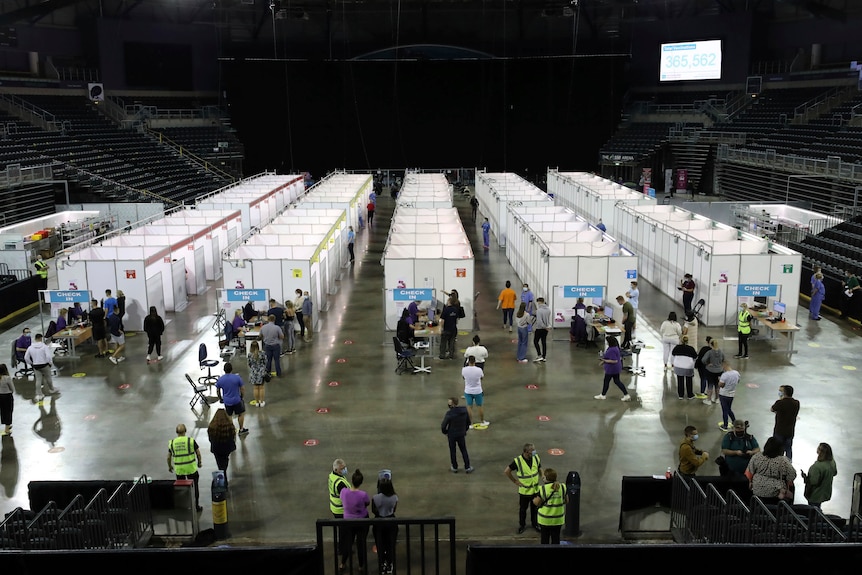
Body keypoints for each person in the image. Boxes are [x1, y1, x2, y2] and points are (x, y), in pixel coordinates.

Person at [746, 436, 797, 505]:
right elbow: (792, 475)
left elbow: (749, 472)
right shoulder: (783, 461)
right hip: (775, 493)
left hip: (757, 490)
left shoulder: (757, 456)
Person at [504, 443, 542, 534]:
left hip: (535, 490)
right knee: (523, 510)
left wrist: (543, 475)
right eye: (532, 450)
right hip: (525, 491)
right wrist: (515, 481)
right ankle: (522, 525)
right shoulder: (518, 461)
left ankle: (535, 524)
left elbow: (539, 468)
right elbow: (507, 471)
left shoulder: (536, 457)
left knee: (535, 509)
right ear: (526, 452)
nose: (534, 452)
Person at [339, 469, 370, 573]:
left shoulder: (344, 491)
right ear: (361, 482)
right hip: (361, 521)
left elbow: (342, 499)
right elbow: (367, 503)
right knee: (361, 544)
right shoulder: (363, 494)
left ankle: (342, 563)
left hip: (348, 521)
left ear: (352, 481)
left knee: (348, 543)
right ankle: (361, 566)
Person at [167, 423, 204, 512]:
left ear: (176, 432)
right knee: (195, 488)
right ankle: (196, 506)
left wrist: (170, 466)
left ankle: (184, 507)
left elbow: (168, 457)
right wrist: (199, 463)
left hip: (180, 470)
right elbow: (198, 453)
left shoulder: (172, 443)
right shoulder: (190, 441)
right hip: (191, 468)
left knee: (182, 489)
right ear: (185, 431)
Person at [372, 474, 398, 575]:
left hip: (379, 523)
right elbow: (394, 509)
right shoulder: (394, 497)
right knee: (390, 545)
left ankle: (382, 564)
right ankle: (390, 564)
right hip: (391, 522)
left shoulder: (375, 498)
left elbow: (374, 511)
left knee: (380, 544)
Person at [533, 468, 568, 545]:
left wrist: (534, 500)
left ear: (546, 478)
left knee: (545, 540)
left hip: (545, 520)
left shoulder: (542, 489)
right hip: (558, 520)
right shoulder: (562, 487)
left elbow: (537, 503)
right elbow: (566, 500)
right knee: (556, 540)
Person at [594, 336, 631, 401]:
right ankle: (626, 395)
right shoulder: (615, 348)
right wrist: (603, 361)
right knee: (617, 381)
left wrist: (604, 361)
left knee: (606, 381)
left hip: (611, 369)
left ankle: (603, 395)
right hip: (616, 368)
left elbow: (614, 360)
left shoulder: (612, 350)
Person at [216, 362, 248, 435]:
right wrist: (242, 396)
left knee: (229, 416)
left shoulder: (220, 379)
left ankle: (231, 431)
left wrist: (220, 398)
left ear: (224, 370)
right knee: (240, 414)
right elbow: (242, 388)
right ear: (231, 369)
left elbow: (217, 390)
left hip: (227, 401)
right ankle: (241, 429)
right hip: (237, 400)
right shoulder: (237, 378)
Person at [442, 396, 473, 473]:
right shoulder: (464, 411)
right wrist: (464, 430)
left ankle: (455, 467)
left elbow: (443, 425)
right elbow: (468, 422)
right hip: (461, 434)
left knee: (453, 451)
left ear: (452, 404)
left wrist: (445, 432)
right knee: (463, 449)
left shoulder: (449, 414)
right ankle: (467, 467)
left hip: (452, 435)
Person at [207, 408, 236, 485]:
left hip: (216, 448)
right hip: (227, 447)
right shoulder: (229, 425)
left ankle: (221, 482)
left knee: (220, 463)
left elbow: (210, 438)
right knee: (225, 461)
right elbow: (233, 435)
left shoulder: (212, 426)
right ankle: (223, 473)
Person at [802, 443, 837, 509]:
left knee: (813, 510)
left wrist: (806, 478)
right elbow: (834, 473)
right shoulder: (832, 462)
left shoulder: (817, 467)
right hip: (826, 491)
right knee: (818, 507)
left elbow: (813, 482)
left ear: (820, 451)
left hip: (815, 494)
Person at [24, 333, 57, 402]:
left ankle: (39, 394)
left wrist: (31, 363)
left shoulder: (30, 347)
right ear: (40, 338)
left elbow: (26, 357)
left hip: (36, 365)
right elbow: (48, 356)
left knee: (38, 380)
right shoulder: (44, 346)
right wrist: (50, 363)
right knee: (48, 377)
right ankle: (51, 389)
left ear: (35, 339)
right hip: (44, 364)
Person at [771, 384, 800, 460]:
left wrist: (781, 399)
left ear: (784, 393)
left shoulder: (780, 403)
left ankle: (777, 464)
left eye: (781, 391)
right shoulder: (796, 403)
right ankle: (788, 465)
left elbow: (772, 409)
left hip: (779, 431)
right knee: (788, 449)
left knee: (778, 449)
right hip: (790, 431)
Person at [462, 356, 488, 427]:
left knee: (469, 407)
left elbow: (463, 377)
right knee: (480, 406)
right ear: (475, 361)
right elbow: (482, 377)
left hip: (468, 391)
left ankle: (470, 423)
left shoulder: (464, 369)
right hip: (477, 391)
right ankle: (482, 421)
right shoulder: (479, 370)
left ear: (468, 361)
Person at [671, 335, 698, 400]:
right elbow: (695, 357)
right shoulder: (691, 348)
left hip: (678, 366)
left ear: (681, 340)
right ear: (687, 341)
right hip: (688, 367)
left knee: (680, 380)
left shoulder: (677, 347)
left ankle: (681, 395)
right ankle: (690, 395)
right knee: (689, 380)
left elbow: (673, 354)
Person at [718, 361, 739, 432]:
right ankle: (734, 422)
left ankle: (725, 426)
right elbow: (738, 381)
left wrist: (719, 381)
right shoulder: (736, 373)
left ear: (724, 366)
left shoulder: (725, 375)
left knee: (725, 410)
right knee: (729, 409)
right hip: (732, 394)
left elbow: (721, 385)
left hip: (724, 394)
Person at [702, 338, 725, 405]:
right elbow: (724, 359)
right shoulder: (721, 352)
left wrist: (708, 363)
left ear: (711, 345)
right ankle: (717, 399)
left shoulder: (709, 352)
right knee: (717, 385)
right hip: (719, 371)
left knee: (710, 385)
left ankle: (709, 400)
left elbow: (703, 360)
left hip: (710, 371)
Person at [247, 341, 267, 407]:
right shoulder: (262, 353)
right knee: (261, 388)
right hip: (261, 372)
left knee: (255, 388)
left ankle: (257, 402)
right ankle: (261, 402)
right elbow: (265, 362)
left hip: (253, 373)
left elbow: (249, 364)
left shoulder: (250, 354)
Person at [532, 297, 551, 362]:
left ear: (539, 302)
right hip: (546, 329)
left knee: (535, 341)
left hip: (540, 328)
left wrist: (544, 327)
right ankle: (544, 356)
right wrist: (547, 327)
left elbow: (539, 321)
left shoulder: (539, 311)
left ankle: (539, 355)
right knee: (543, 342)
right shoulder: (548, 310)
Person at [694, 335, 712, 400]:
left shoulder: (703, 348)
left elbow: (698, 357)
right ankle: (708, 393)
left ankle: (702, 392)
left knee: (703, 379)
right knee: (709, 380)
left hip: (700, 366)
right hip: (708, 367)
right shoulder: (712, 351)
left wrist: (696, 365)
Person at [0, 364, 15, 435]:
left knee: (3, 411)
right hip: (7, 396)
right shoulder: (7, 378)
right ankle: (7, 428)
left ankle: (6, 424)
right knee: (9, 411)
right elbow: (12, 389)